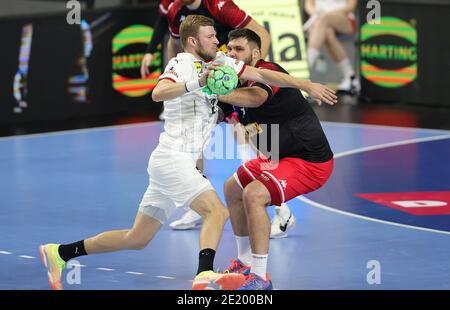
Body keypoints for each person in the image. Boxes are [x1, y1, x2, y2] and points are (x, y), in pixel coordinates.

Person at [39, 15, 336, 290]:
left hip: (172, 161)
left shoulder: (221, 65)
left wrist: (306, 84)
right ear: (193, 41)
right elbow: (159, 92)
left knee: (137, 237)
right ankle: (205, 274)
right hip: (173, 158)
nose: (218, 44)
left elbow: (263, 78)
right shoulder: (182, 63)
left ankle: (60, 253)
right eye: (211, 37)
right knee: (216, 212)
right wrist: (200, 83)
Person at [217, 28, 335, 290]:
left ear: (256, 53)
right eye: (230, 49)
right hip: (277, 156)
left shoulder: (268, 70)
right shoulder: (232, 78)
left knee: (254, 195)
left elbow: (256, 98)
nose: (233, 54)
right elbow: (219, 113)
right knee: (232, 188)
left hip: (309, 160)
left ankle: (260, 278)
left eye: (240, 49)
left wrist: (212, 92)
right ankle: (245, 263)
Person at [304, 0, 360, 93]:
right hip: (319, 20)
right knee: (328, 33)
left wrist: (326, 14)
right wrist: (316, 13)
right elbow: (308, 5)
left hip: (344, 18)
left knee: (324, 20)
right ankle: (351, 77)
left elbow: (350, 6)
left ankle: (304, 72)